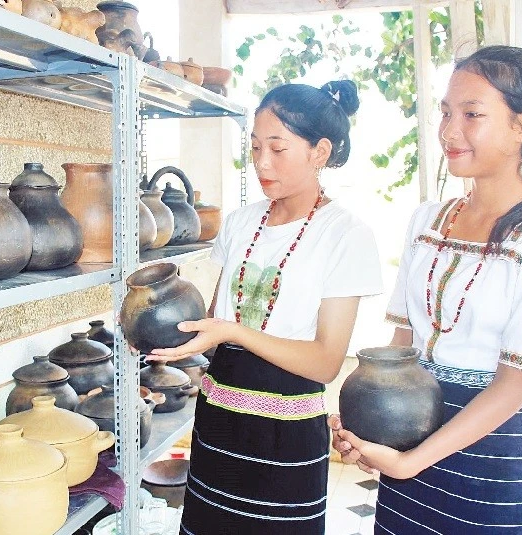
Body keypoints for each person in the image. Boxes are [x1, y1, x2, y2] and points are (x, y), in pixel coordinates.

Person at [149, 79, 384, 534]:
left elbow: (325, 362)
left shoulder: (345, 234)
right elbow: (215, 323)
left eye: (278, 148)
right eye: (255, 147)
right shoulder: (240, 222)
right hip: (218, 420)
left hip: (286, 432)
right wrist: (165, 335)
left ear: (319, 152)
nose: (261, 162)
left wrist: (233, 332)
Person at [331, 45, 522, 533]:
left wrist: (411, 461)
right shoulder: (428, 221)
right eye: (446, 113)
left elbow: (513, 385)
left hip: (488, 467)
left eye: (472, 114)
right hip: (408, 442)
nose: (449, 131)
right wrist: (368, 430)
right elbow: (401, 348)